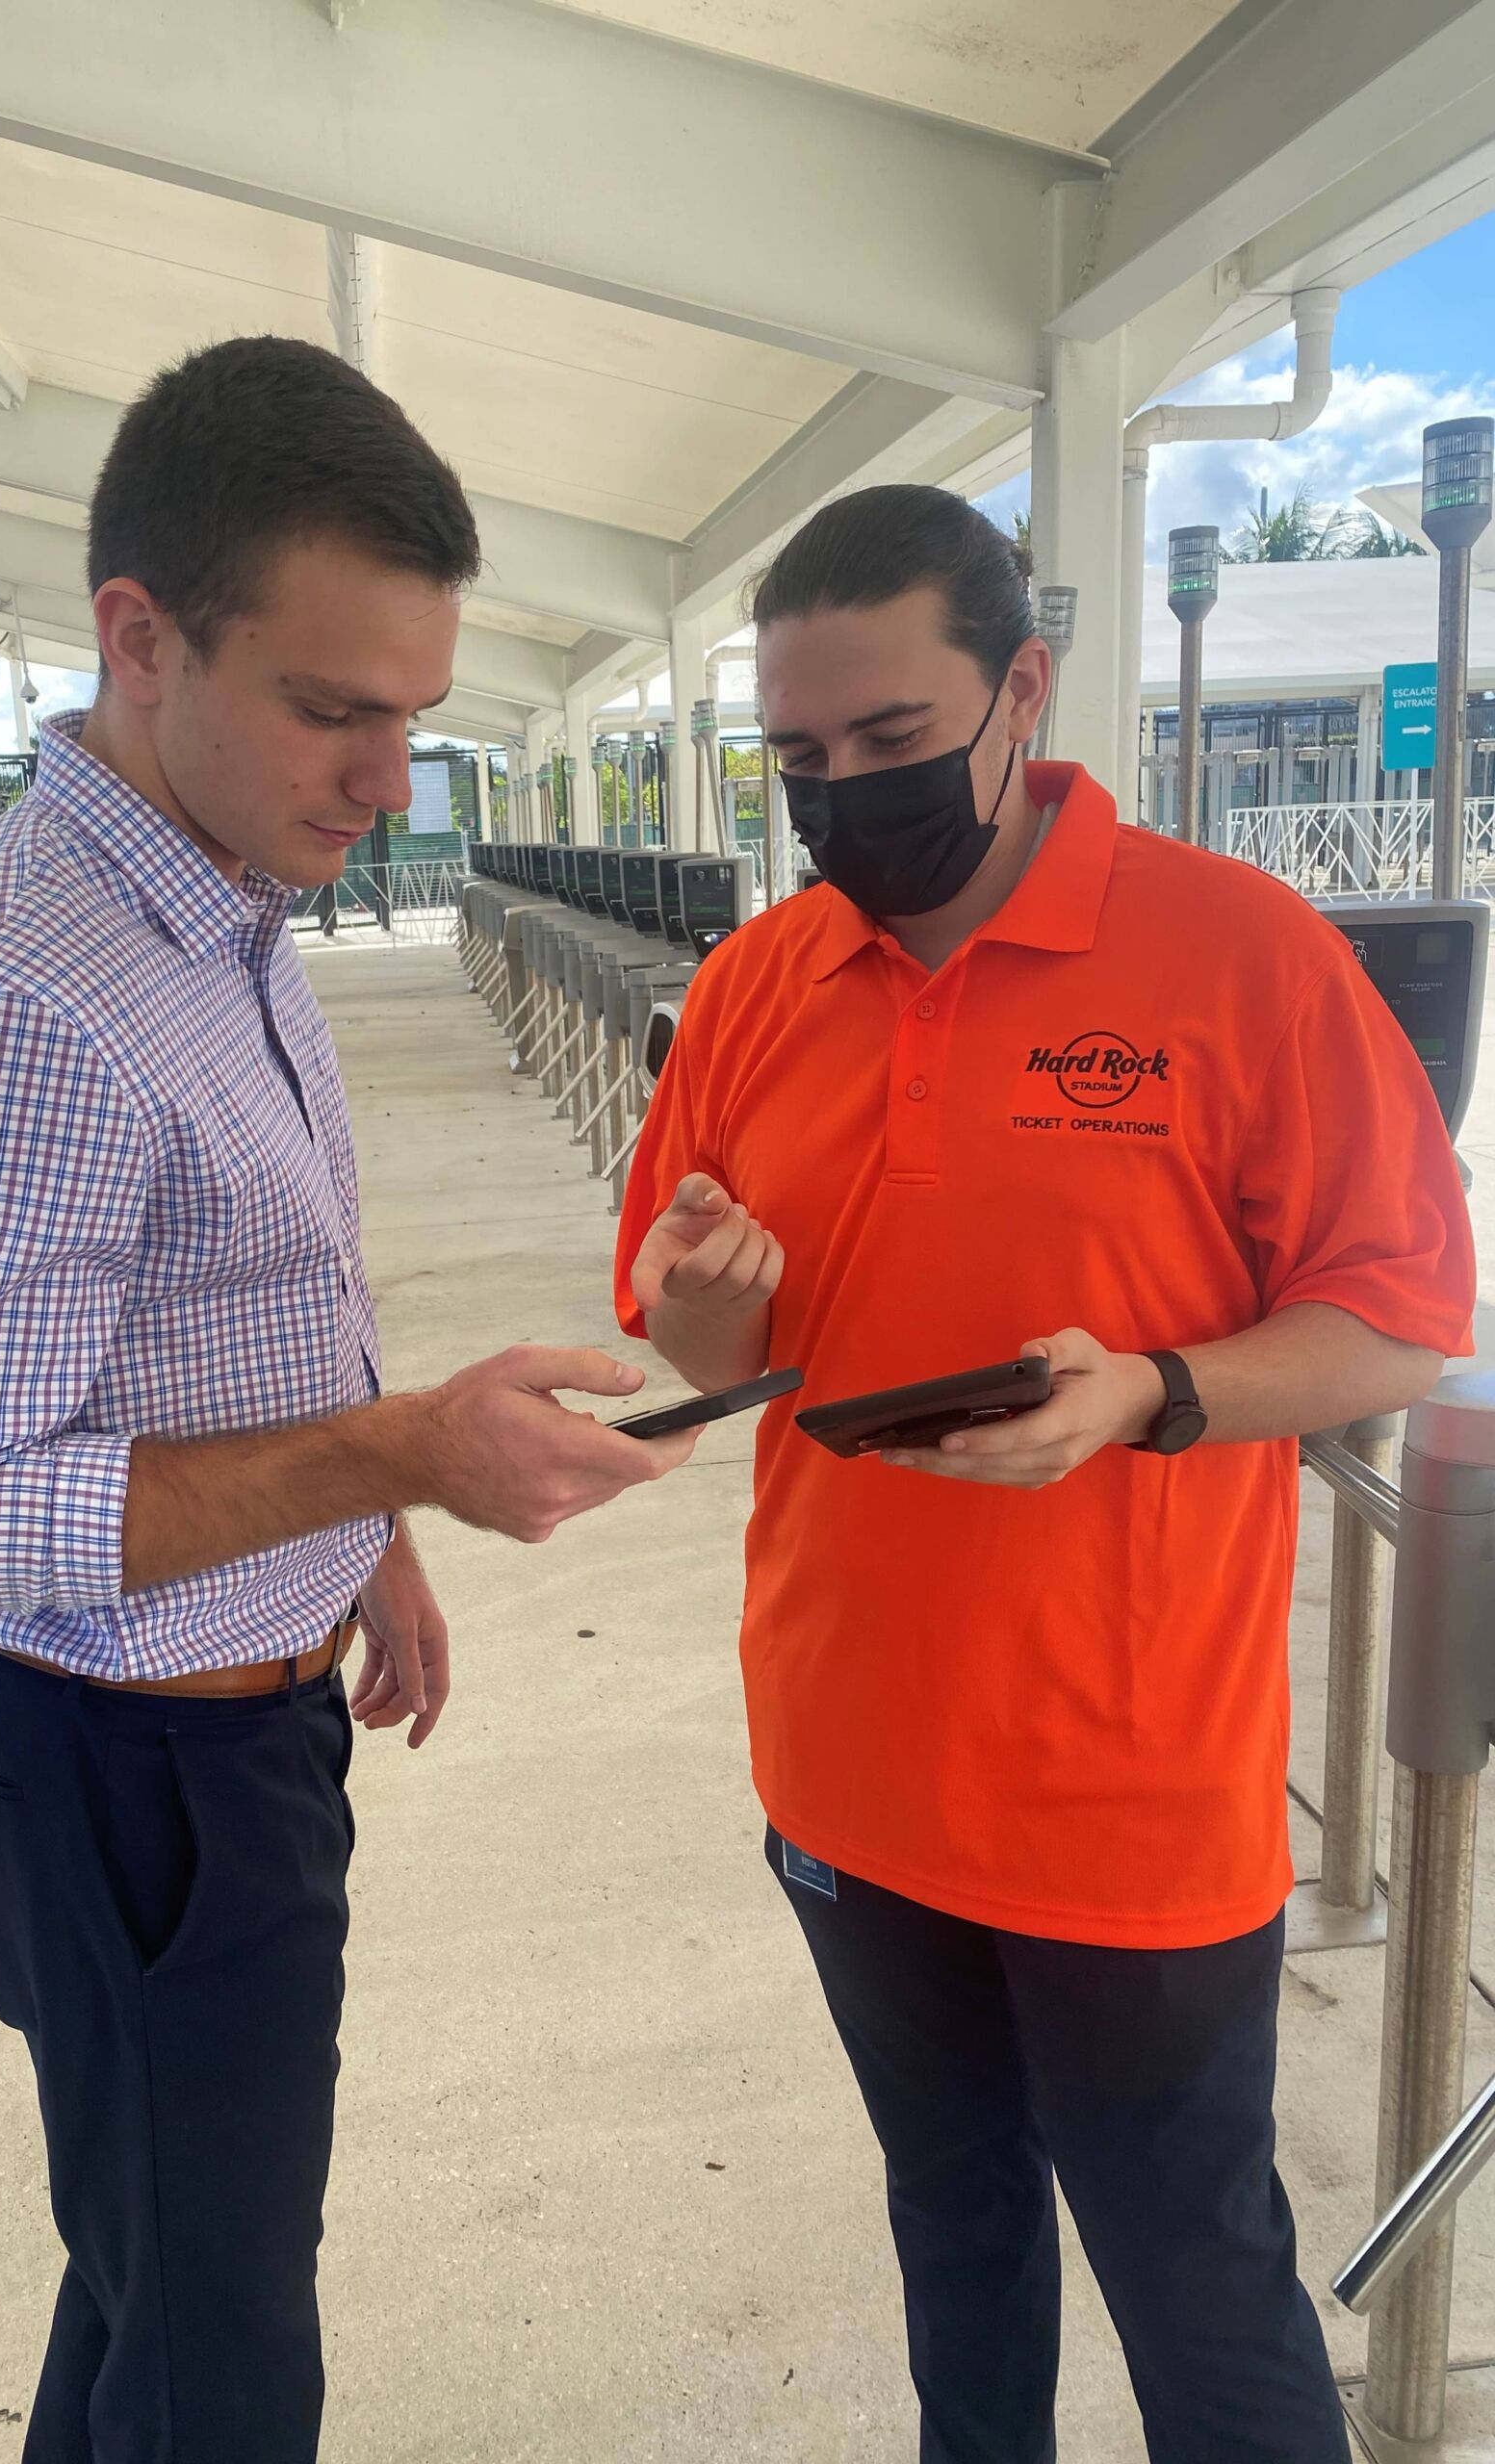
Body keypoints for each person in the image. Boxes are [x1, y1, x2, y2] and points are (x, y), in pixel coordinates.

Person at [0, 335, 697, 2464]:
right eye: (335, 707)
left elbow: (236, 1301)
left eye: (412, 711)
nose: (390, 773)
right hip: (125, 1774)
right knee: (220, 2360)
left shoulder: (216, 902)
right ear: (140, 637)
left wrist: (362, 1534)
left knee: (160, 2279)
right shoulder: (26, 993)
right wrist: (397, 1452)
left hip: (222, 1727)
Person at [615, 484, 1475, 2464]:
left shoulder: (1234, 953)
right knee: (958, 2233)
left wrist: (1161, 1387)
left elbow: (1403, 1308)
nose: (843, 797)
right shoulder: (760, 984)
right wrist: (702, 1307)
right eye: (802, 758)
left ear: (1023, 689)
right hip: (847, 1754)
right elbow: (716, 1347)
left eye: (893, 743)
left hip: (1125, 1779)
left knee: (1196, 2274)